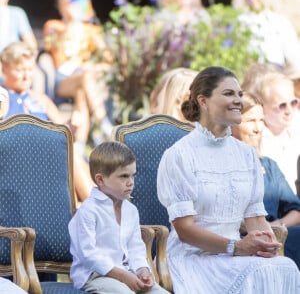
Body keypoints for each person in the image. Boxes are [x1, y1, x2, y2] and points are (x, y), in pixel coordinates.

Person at [157, 66, 300, 294]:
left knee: (286, 267)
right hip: (194, 258)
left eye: (239, 94)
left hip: (237, 255)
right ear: (203, 101)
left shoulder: (247, 155)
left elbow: (255, 218)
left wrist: (267, 241)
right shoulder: (179, 155)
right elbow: (185, 231)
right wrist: (236, 247)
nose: (237, 101)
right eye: (228, 94)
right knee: (261, 272)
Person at [68, 141, 170, 294]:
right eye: (123, 176)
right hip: (94, 276)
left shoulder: (131, 210)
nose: (131, 182)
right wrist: (122, 276)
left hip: (127, 272)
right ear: (100, 180)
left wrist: (142, 270)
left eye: (132, 175)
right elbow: (88, 255)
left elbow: (135, 247)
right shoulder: (88, 211)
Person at [0, 41, 94, 202]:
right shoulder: (3, 98)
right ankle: (103, 209)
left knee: (72, 154)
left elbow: (65, 134)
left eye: (30, 69)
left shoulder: (41, 100)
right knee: (68, 156)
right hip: (19, 162)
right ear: (4, 68)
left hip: (49, 159)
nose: (26, 76)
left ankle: (101, 208)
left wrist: (73, 126)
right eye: (19, 70)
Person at [231, 91, 300, 270]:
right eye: (250, 121)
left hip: (277, 233)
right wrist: (258, 229)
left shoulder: (268, 165)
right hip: (242, 238)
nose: (258, 128)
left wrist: (276, 227)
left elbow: (296, 210)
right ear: (232, 124)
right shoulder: (223, 165)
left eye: (261, 120)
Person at [42, 0, 113, 147]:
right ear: (61, 6)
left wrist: (93, 67)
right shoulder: (54, 26)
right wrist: (73, 23)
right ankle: (104, 123)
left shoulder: (92, 31)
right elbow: (54, 48)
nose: (72, 7)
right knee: (85, 79)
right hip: (62, 79)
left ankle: (79, 144)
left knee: (82, 91)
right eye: (69, 3)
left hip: (82, 77)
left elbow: (108, 60)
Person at [242, 68, 300, 194]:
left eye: (294, 103)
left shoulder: (296, 130)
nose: (289, 110)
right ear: (264, 108)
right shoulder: (255, 139)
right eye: (282, 105)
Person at [233, 0, 300, 69]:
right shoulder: (239, 22)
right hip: (249, 72)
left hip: (276, 72)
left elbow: (294, 55)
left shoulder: (279, 21)